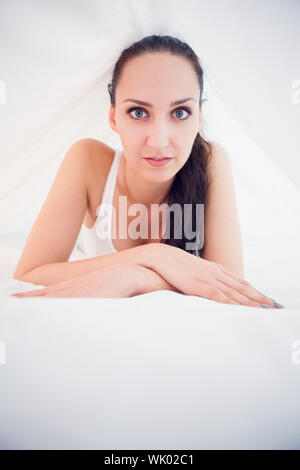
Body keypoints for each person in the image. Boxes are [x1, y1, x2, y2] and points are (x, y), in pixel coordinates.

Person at [12, 34, 280, 308]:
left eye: (180, 113)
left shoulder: (211, 162)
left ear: (199, 119)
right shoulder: (88, 162)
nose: (159, 141)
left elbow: (227, 286)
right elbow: (30, 275)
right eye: (138, 112)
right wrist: (155, 256)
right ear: (113, 118)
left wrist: (135, 277)